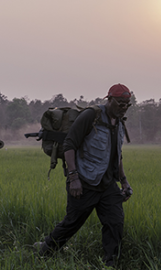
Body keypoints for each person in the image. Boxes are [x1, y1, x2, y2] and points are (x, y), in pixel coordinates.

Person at [34, 83, 134, 267]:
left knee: (115, 223)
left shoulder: (120, 122)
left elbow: (117, 154)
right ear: (109, 99)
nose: (124, 107)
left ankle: (109, 263)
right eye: (120, 103)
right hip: (85, 181)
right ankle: (44, 250)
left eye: (127, 104)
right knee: (72, 223)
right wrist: (74, 178)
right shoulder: (91, 116)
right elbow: (70, 144)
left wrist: (124, 182)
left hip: (108, 184)